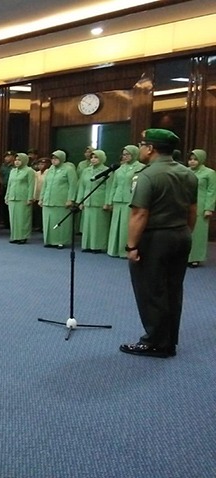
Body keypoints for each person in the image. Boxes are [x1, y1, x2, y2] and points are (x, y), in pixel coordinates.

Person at [120, 129, 197, 358]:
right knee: (173, 289)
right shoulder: (187, 173)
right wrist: (184, 232)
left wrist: (132, 246)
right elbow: (192, 210)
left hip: (155, 239)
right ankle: (169, 341)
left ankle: (154, 342)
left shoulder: (147, 175)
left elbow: (139, 214)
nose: (140, 148)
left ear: (150, 148)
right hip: (181, 234)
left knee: (151, 290)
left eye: (142, 145)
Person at [105, 145, 144, 258]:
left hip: (131, 200)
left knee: (126, 226)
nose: (125, 157)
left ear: (135, 154)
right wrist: (110, 201)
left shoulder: (141, 167)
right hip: (118, 199)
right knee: (115, 225)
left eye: (128, 154)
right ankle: (114, 250)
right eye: (124, 154)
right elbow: (114, 185)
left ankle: (125, 250)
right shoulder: (119, 169)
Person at [39, 150, 77, 249]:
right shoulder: (50, 170)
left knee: (60, 221)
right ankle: (49, 240)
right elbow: (45, 185)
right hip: (48, 200)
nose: (54, 160)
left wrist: (70, 199)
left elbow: (73, 185)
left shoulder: (69, 169)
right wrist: (41, 198)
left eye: (56, 158)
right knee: (48, 221)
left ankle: (60, 241)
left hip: (61, 200)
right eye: (52, 158)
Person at [76, 150, 112, 253]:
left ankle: (97, 246)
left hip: (99, 202)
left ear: (102, 158)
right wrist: (80, 201)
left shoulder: (107, 170)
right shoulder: (86, 171)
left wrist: (108, 202)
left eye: (96, 157)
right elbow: (82, 186)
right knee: (87, 225)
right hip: (87, 201)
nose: (93, 159)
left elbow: (109, 188)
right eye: (92, 157)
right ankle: (87, 245)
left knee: (98, 226)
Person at [186, 149, 216, 267]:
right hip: (185, 204)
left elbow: (212, 191)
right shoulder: (185, 171)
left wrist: (209, 208)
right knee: (185, 233)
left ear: (201, 160)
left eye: (195, 159)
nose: (192, 162)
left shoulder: (209, 173)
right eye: (190, 159)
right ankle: (185, 256)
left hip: (201, 205)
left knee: (198, 233)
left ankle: (196, 257)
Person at [5, 153, 35, 244]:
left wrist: (30, 198)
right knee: (13, 218)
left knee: (23, 218)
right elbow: (9, 184)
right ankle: (15, 236)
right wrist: (7, 196)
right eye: (16, 160)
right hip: (12, 197)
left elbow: (31, 185)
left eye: (19, 160)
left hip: (23, 197)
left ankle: (23, 236)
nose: (17, 162)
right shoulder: (13, 171)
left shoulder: (29, 171)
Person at [32, 157, 49, 232]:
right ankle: (38, 225)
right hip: (37, 195)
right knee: (37, 212)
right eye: (39, 164)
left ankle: (43, 226)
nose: (40, 166)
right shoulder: (37, 173)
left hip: (45, 195)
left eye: (42, 164)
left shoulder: (49, 172)